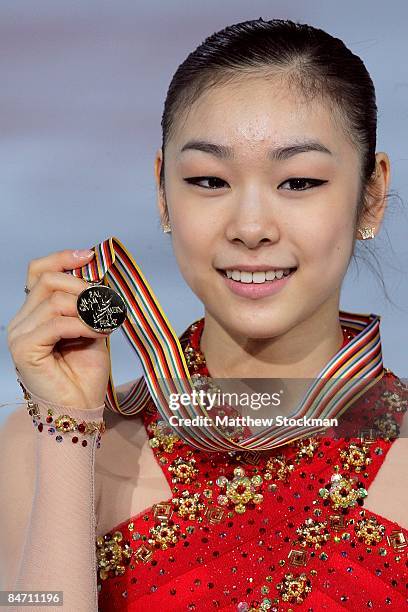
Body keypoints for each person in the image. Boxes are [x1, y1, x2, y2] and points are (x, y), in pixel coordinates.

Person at [1, 17, 407, 612]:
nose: (249, 228)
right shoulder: (40, 447)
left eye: (298, 181)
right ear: (164, 192)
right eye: (208, 180)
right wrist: (69, 430)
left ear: (370, 194)